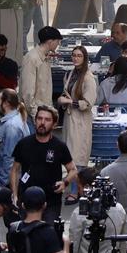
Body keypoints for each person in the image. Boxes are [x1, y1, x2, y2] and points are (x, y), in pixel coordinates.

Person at [10, 105, 78, 222]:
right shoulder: (23, 144)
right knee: (26, 236)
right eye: (40, 118)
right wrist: (14, 195)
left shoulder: (59, 146)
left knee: (48, 235)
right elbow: (15, 170)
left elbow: (73, 169)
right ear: (35, 121)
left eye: (47, 120)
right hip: (27, 200)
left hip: (51, 201)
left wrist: (64, 182)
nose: (42, 122)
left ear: (54, 124)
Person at [58, 46, 96, 186]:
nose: (75, 58)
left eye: (79, 55)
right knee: (69, 156)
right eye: (74, 55)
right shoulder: (69, 75)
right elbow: (66, 93)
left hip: (81, 121)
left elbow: (88, 103)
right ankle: (75, 188)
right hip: (69, 120)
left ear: (84, 58)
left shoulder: (88, 77)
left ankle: (76, 190)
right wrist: (62, 101)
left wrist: (69, 101)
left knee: (78, 157)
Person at [0, 89, 29, 191]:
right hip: (12, 179)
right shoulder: (17, 120)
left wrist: (0, 184)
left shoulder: (11, 126)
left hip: (9, 182)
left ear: (6, 103)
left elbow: (10, 159)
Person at [21, 26, 63, 114]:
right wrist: (35, 115)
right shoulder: (31, 58)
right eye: (57, 41)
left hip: (44, 113)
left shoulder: (46, 58)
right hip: (35, 115)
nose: (58, 44)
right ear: (50, 41)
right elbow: (28, 92)